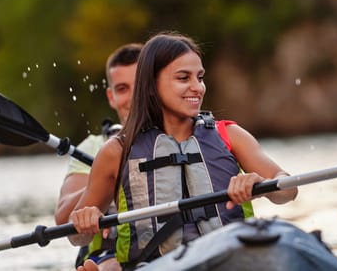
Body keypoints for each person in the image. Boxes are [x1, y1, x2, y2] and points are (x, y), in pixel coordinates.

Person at [68, 32, 298, 271]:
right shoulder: (116, 152)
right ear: (152, 84)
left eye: (200, 77)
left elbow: (289, 189)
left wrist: (262, 184)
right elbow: (76, 238)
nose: (197, 87)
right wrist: (85, 220)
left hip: (231, 259)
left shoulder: (229, 135)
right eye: (183, 78)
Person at [55, 43, 142, 270]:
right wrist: (106, 174)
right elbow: (64, 219)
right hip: (109, 254)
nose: (133, 98)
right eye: (123, 89)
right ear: (111, 96)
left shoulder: (178, 134)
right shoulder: (94, 146)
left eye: (140, 85)